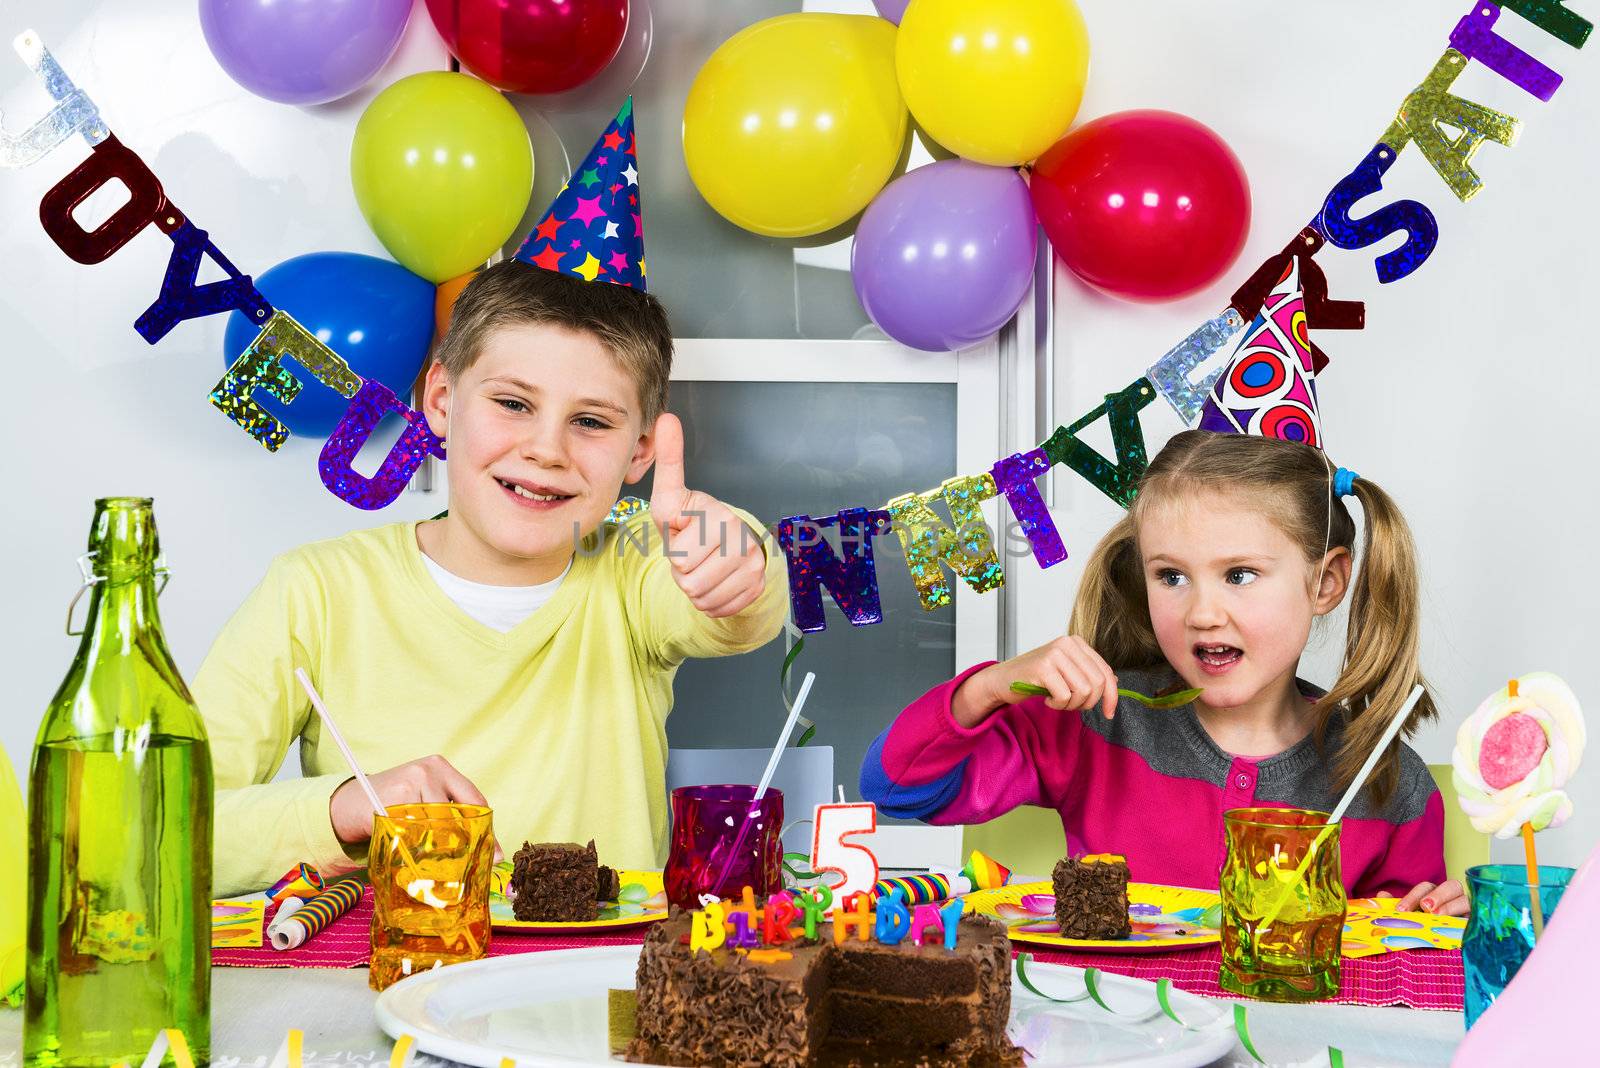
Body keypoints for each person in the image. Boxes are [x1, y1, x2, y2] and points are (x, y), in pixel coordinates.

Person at [197, 262, 787, 896]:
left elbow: (737, 609)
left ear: (640, 451)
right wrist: (343, 809)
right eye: (512, 403)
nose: (546, 449)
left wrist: (737, 554)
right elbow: (166, 828)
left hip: (597, 986)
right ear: (442, 401)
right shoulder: (312, 591)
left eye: (590, 422)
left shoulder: (637, 571)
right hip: (390, 979)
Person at [861, 430, 1464, 914]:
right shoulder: (1097, 722)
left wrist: (1432, 915)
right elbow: (894, 786)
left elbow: (1399, 955)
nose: (1202, 613)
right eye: (1171, 576)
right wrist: (992, 686)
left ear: (1325, 582)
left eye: (1239, 575)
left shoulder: (1388, 784)